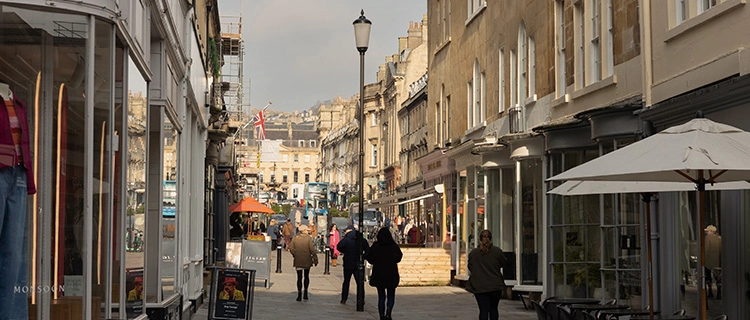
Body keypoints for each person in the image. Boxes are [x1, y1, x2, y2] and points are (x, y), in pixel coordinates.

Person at [467, 230, 506, 320]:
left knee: (483, 310)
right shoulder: (497, 251)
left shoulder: (474, 253)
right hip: (495, 286)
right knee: (493, 309)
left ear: (480, 239)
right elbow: (503, 263)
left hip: (480, 286)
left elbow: (470, 267)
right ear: (491, 238)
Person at [366, 227, 403, 320]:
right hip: (391, 273)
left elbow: (369, 258)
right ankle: (388, 313)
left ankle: (381, 315)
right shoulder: (393, 246)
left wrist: (376, 261)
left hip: (379, 273)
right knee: (391, 294)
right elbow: (399, 257)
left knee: (381, 296)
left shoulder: (376, 246)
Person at [336, 225, 370, 304]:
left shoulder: (346, 239)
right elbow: (368, 250)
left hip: (348, 262)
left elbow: (339, 247)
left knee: (346, 281)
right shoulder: (362, 240)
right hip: (358, 262)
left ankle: (344, 298)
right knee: (360, 282)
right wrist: (363, 257)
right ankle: (361, 299)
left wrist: (345, 251)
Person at [289, 224, 318, 301]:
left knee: (299, 277)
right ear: (304, 231)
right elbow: (312, 250)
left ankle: (299, 294)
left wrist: (295, 254)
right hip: (307, 260)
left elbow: (291, 248)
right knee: (306, 276)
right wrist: (315, 259)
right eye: (307, 230)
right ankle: (305, 292)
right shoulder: (308, 239)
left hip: (298, 259)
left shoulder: (295, 238)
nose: (308, 232)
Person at [704, 224, 722, 298]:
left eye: (708, 231)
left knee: (708, 276)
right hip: (718, 260)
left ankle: (710, 291)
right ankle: (719, 292)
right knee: (718, 276)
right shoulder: (719, 238)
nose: (707, 232)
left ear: (711, 231)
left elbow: (706, 249)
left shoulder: (707, 238)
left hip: (709, 260)